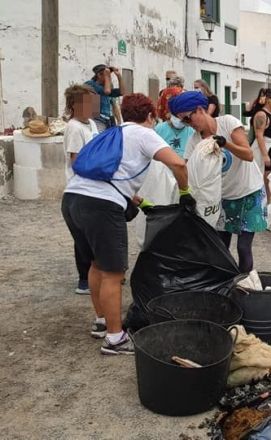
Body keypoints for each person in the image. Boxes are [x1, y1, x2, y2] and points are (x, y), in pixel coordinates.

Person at [62, 93, 192, 355]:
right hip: (101, 207)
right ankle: (115, 339)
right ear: (150, 116)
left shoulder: (111, 132)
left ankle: (101, 321)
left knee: (97, 264)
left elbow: (105, 174)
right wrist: (185, 192)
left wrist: (137, 200)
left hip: (73, 199)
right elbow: (178, 163)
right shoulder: (144, 132)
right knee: (113, 272)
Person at [171, 91, 263, 274]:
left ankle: (245, 284)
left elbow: (248, 154)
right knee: (220, 247)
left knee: (243, 248)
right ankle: (226, 285)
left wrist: (225, 144)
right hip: (222, 199)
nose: (189, 125)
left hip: (248, 192)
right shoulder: (194, 140)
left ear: (199, 110)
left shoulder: (228, 123)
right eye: (184, 122)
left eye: (188, 119)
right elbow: (188, 169)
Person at [62, 84, 100, 295]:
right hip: (80, 188)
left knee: (95, 234)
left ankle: (100, 273)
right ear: (75, 105)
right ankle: (84, 278)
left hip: (93, 186)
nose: (92, 107)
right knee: (83, 237)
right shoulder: (74, 127)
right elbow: (77, 161)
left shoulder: (91, 124)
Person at [246, 89, 271, 201]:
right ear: (268, 99)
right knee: (266, 178)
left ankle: (269, 201)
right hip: (265, 151)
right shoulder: (261, 114)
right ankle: (266, 201)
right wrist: (265, 155)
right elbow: (259, 135)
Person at [85, 64, 122, 130]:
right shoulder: (90, 84)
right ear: (99, 75)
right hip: (96, 119)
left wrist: (119, 121)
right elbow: (106, 91)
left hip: (108, 119)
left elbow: (114, 104)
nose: (109, 78)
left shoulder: (109, 86)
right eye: (107, 75)